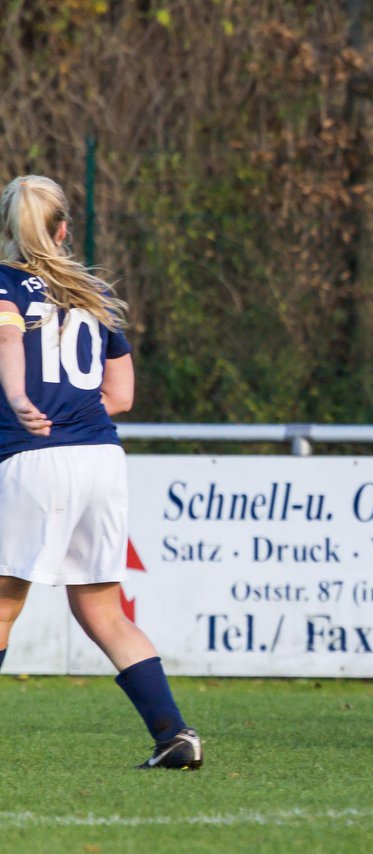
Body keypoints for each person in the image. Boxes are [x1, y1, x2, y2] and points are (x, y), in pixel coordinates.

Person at [0, 175, 202, 769]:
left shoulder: (3, 286)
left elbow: (10, 344)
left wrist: (21, 398)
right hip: (101, 459)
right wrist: (72, 406)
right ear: (63, 230)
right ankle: (173, 734)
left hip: (35, 458)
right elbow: (123, 395)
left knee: (3, 607)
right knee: (104, 610)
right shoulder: (91, 298)